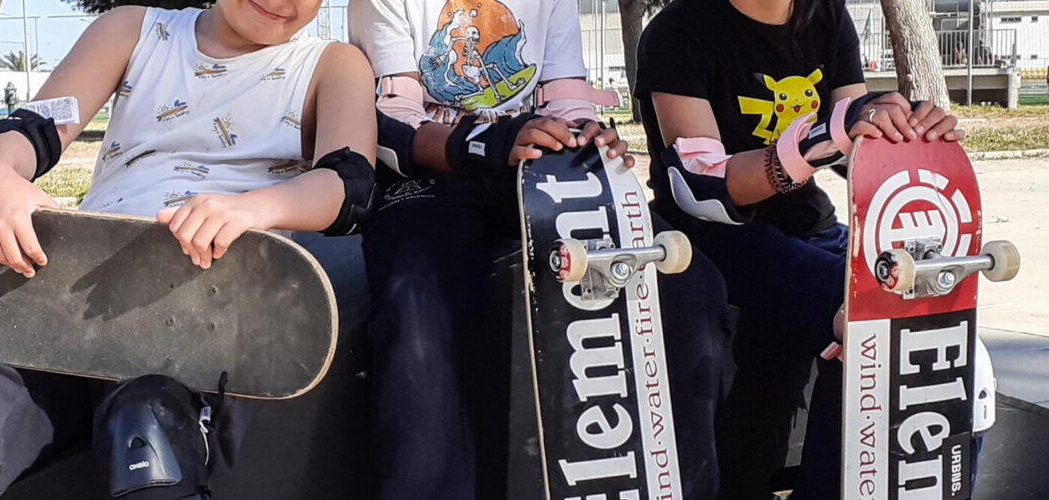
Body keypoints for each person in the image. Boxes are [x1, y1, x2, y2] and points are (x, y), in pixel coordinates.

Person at [0, 1, 379, 498]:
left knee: (150, 433)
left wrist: (257, 208)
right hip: (64, 297)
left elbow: (348, 185)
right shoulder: (134, 30)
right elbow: (34, 125)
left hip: (199, 311)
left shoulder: (332, 65)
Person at [347, 0, 734, 497]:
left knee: (686, 283)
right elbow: (393, 131)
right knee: (418, 312)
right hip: (433, 177)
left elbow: (566, 99)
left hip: (532, 169)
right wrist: (488, 143)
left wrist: (584, 135)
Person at [632, 0, 985, 497]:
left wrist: (902, 130)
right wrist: (828, 137)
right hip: (712, 239)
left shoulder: (825, 16)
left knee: (927, 319)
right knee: (864, 323)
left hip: (808, 226)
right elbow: (703, 188)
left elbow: (854, 142)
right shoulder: (677, 30)